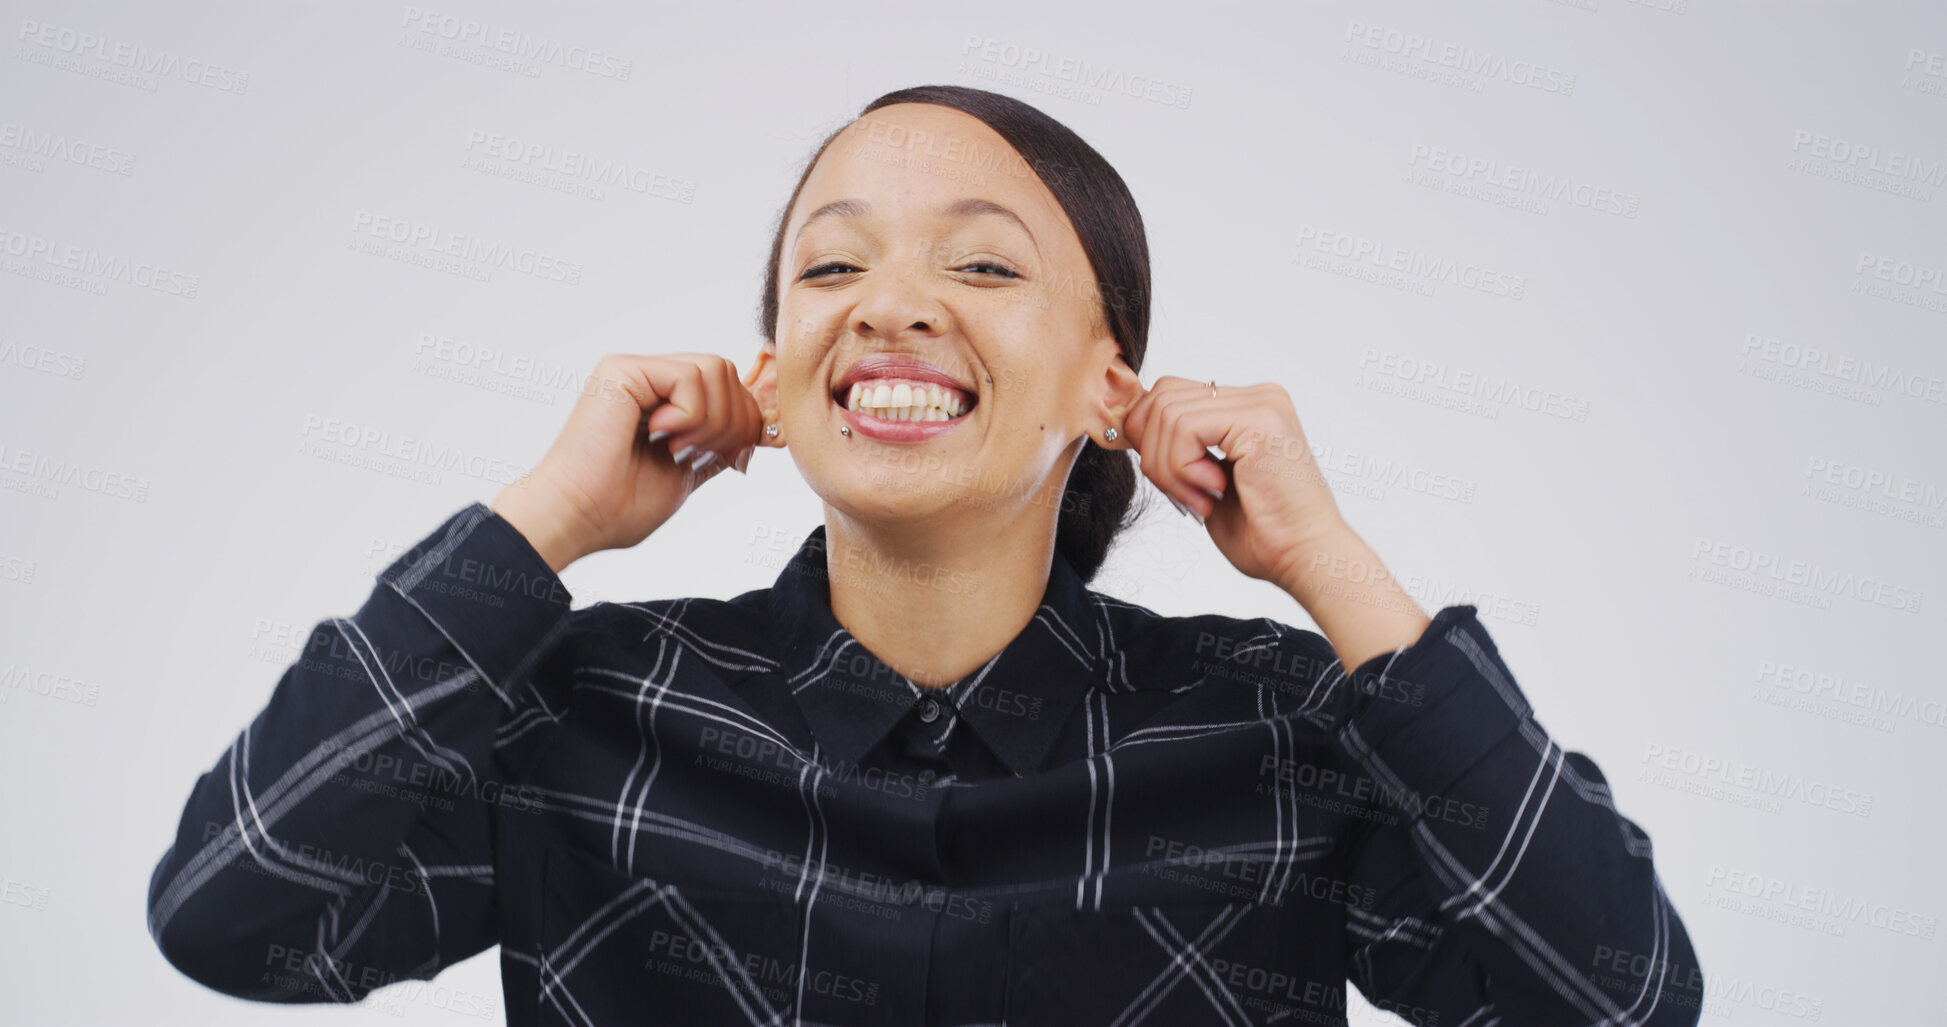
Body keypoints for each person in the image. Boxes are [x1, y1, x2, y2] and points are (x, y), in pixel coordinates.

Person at [147, 84, 1703, 1026]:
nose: (889, 304)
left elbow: (1618, 995)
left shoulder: (1274, 730)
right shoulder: (587, 714)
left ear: (1115, 385)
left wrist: (1332, 563)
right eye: (833, 264)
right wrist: (549, 518)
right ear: (777, 369)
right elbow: (237, 907)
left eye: (980, 262)